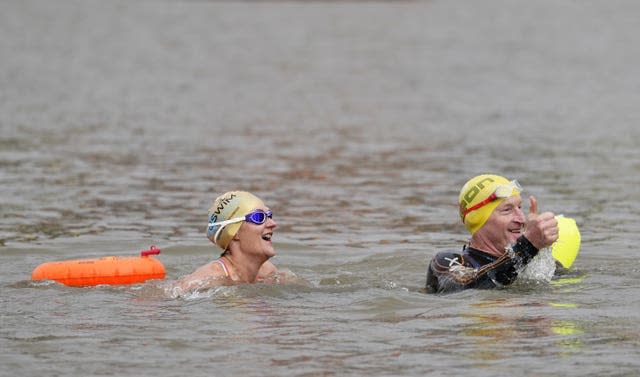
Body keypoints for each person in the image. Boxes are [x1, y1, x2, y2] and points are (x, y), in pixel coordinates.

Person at [425, 174, 559, 293]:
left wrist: (538, 248)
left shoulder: (531, 262)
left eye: (519, 207)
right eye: (507, 210)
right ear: (477, 219)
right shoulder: (447, 262)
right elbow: (465, 288)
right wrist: (529, 244)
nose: (522, 219)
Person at [176, 191, 279, 291]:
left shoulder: (268, 273)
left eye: (269, 215)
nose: (273, 223)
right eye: (259, 217)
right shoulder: (209, 279)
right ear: (234, 233)